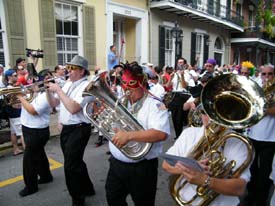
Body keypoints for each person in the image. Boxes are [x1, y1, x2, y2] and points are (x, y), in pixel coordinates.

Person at [105, 61, 170, 206]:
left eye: (131, 85)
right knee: (113, 198)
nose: (127, 89)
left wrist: (128, 136)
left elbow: (161, 134)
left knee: (143, 203)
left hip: (141, 169)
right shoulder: (123, 101)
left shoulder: (156, 104)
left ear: (141, 83)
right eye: (124, 84)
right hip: (116, 164)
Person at [162, 113, 251, 206]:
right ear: (201, 114)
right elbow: (166, 164)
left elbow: (240, 188)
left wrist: (206, 181)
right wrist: (188, 168)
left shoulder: (239, 143)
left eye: (218, 114)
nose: (212, 119)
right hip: (183, 200)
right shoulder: (189, 133)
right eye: (207, 113)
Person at [47, 55, 95, 206]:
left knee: (70, 166)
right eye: (68, 67)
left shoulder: (87, 87)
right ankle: (88, 188)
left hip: (80, 128)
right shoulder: (68, 84)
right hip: (67, 129)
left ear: (82, 71)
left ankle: (77, 199)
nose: (69, 71)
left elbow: (74, 108)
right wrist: (48, 91)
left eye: (72, 68)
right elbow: (55, 103)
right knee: (75, 161)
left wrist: (58, 90)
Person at [17, 69, 54, 197]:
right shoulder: (33, 93)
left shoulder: (46, 96)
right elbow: (20, 106)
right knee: (39, 154)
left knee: (29, 160)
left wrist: (20, 97)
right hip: (29, 128)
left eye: (35, 80)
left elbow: (33, 110)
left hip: (37, 131)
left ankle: (31, 187)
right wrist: (19, 99)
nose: (32, 81)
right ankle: (46, 176)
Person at [242, 63, 275, 206]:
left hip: (271, 137)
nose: (267, 77)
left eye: (270, 74)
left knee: (265, 171)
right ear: (260, 74)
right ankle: (250, 196)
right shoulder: (255, 86)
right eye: (264, 74)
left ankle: (261, 200)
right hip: (253, 134)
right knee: (251, 168)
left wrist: (262, 108)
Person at [3, 69, 24, 156]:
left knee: (13, 132)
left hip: (12, 113)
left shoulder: (10, 87)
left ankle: (16, 149)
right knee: (22, 133)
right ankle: (27, 149)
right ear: (9, 77)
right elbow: (15, 105)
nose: (17, 77)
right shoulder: (10, 88)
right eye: (15, 75)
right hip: (16, 113)